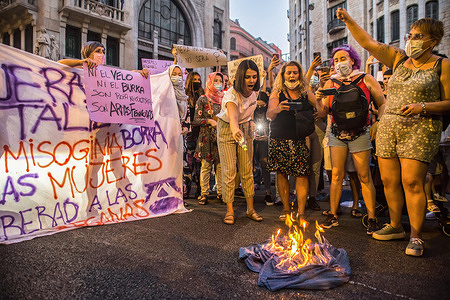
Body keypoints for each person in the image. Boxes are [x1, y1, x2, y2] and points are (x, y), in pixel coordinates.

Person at [336, 8, 450, 256]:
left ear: (432, 40)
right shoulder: (398, 58)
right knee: (388, 180)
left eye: (418, 36)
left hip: (420, 128)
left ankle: (416, 236)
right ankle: (396, 225)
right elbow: (368, 42)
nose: (411, 41)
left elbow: (449, 102)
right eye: (410, 35)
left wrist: (423, 106)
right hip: (389, 127)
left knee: (412, 182)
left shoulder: (442, 65)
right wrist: (348, 20)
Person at [315, 44, 385, 235]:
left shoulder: (366, 79)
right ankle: (333, 215)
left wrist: (378, 122)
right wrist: (318, 97)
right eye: (336, 60)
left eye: (343, 58)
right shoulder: (331, 82)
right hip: (337, 134)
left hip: (360, 133)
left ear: (353, 60)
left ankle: (372, 218)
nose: (339, 63)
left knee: (364, 176)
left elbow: (382, 102)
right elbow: (323, 112)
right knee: (336, 176)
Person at [266, 61, 318, 222]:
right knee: (282, 174)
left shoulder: (306, 92)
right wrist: (278, 108)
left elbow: (322, 111)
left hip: (299, 139)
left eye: (295, 72)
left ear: (299, 75)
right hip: (279, 137)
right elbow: (269, 115)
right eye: (288, 73)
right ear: (283, 75)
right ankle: (286, 209)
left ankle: (301, 213)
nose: (292, 75)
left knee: (302, 175)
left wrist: (321, 102)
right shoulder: (277, 92)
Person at [216, 59, 263, 225]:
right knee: (229, 171)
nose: (252, 81)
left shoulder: (255, 91)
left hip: (246, 127)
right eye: (248, 77)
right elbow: (233, 118)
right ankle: (229, 210)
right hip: (227, 128)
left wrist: (249, 125)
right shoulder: (231, 95)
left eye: (254, 77)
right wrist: (236, 131)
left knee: (247, 169)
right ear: (240, 77)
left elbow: (247, 113)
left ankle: (250, 209)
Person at [192, 72, 224, 204]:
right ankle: (204, 193)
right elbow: (195, 120)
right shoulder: (203, 99)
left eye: (220, 81)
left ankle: (221, 192)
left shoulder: (224, 98)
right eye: (215, 80)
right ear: (210, 82)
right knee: (206, 166)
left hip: (221, 136)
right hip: (206, 137)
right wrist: (209, 121)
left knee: (220, 166)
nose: (218, 83)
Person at [183, 72, 204, 199]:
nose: (197, 81)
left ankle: (200, 189)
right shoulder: (185, 96)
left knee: (199, 162)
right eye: (194, 79)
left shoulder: (202, 96)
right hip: (190, 133)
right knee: (189, 163)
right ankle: (186, 189)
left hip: (200, 133)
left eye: (199, 79)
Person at [253, 90, 273, 205]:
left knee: (264, 163)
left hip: (265, 140)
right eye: (258, 105)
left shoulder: (269, 113)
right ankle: (250, 192)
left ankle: (268, 192)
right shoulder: (252, 112)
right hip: (252, 139)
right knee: (249, 163)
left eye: (262, 105)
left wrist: (268, 136)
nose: (260, 108)